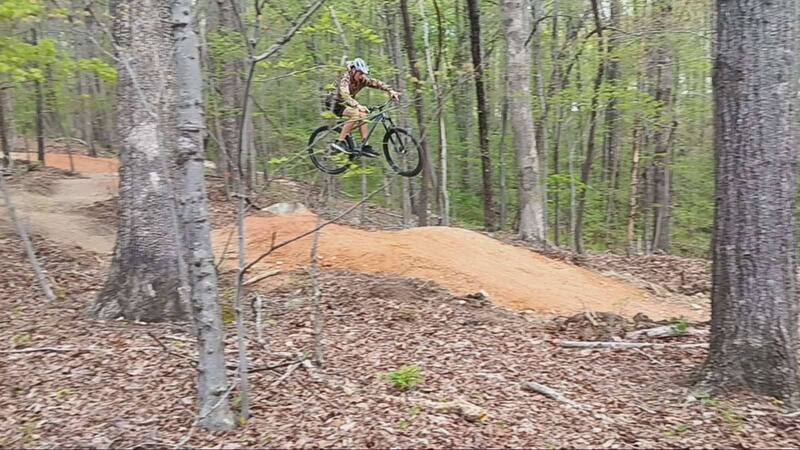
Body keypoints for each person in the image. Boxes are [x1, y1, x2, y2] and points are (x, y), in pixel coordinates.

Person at [328, 58, 401, 157]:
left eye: (363, 74)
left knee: (363, 114)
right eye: (360, 73)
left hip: (346, 103)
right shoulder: (345, 77)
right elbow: (345, 94)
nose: (362, 76)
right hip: (333, 102)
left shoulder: (361, 79)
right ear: (354, 71)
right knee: (356, 114)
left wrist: (390, 91)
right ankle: (339, 142)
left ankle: (364, 145)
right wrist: (358, 105)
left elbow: (375, 83)